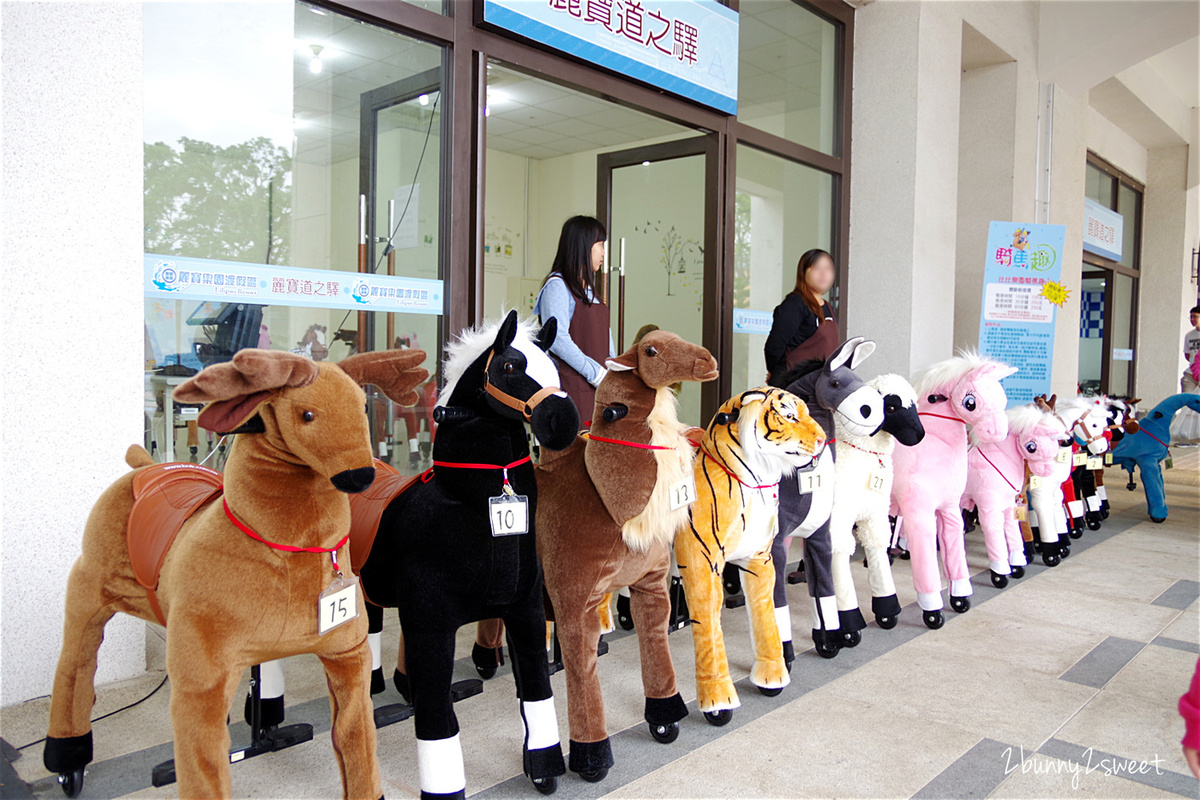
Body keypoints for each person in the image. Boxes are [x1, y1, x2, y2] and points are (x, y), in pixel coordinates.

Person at [533, 215, 615, 418]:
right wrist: (595, 373)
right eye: (600, 245)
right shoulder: (557, 286)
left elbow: (606, 339)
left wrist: (613, 373)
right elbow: (557, 339)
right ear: (583, 246)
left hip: (599, 391)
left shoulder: (591, 292)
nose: (604, 252)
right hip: (572, 392)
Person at [764, 248, 839, 381]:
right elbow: (774, 347)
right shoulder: (795, 303)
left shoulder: (827, 307)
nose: (823, 273)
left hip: (818, 384)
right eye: (816, 268)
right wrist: (778, 373)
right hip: (794, 384)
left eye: (828, 268)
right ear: (803, 272)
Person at [1183, 306, 1200, 393]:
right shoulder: (1189, 335)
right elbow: (1187, 354)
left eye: (1195, 317)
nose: (1192, 319)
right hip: (1191, 373)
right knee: (1187, 401)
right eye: (1191, 317)